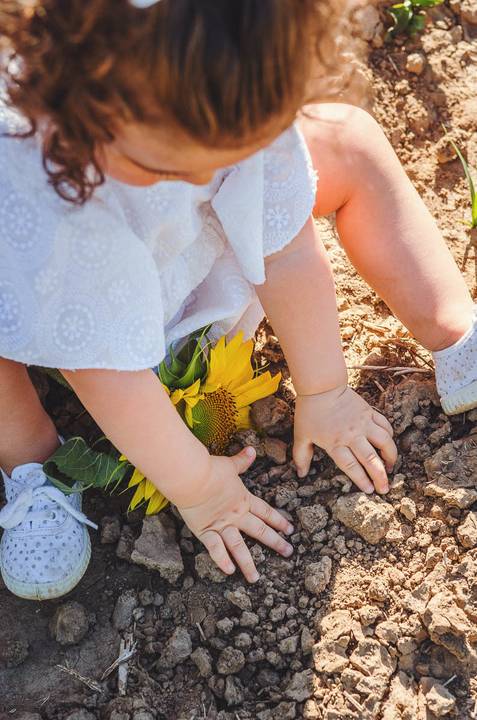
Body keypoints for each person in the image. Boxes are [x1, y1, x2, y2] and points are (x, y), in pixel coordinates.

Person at [0, 0, 475, 600]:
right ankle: (35, 467)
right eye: (174, 166)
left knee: (346, 141)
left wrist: (325, 391)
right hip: (62, 317)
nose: (201, 180)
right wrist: (201, 488)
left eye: (223, 159)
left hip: (197, 259)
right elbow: (99, 368)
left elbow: (287, 247)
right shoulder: (40, 175)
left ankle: (454, 330)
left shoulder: (233, 75)